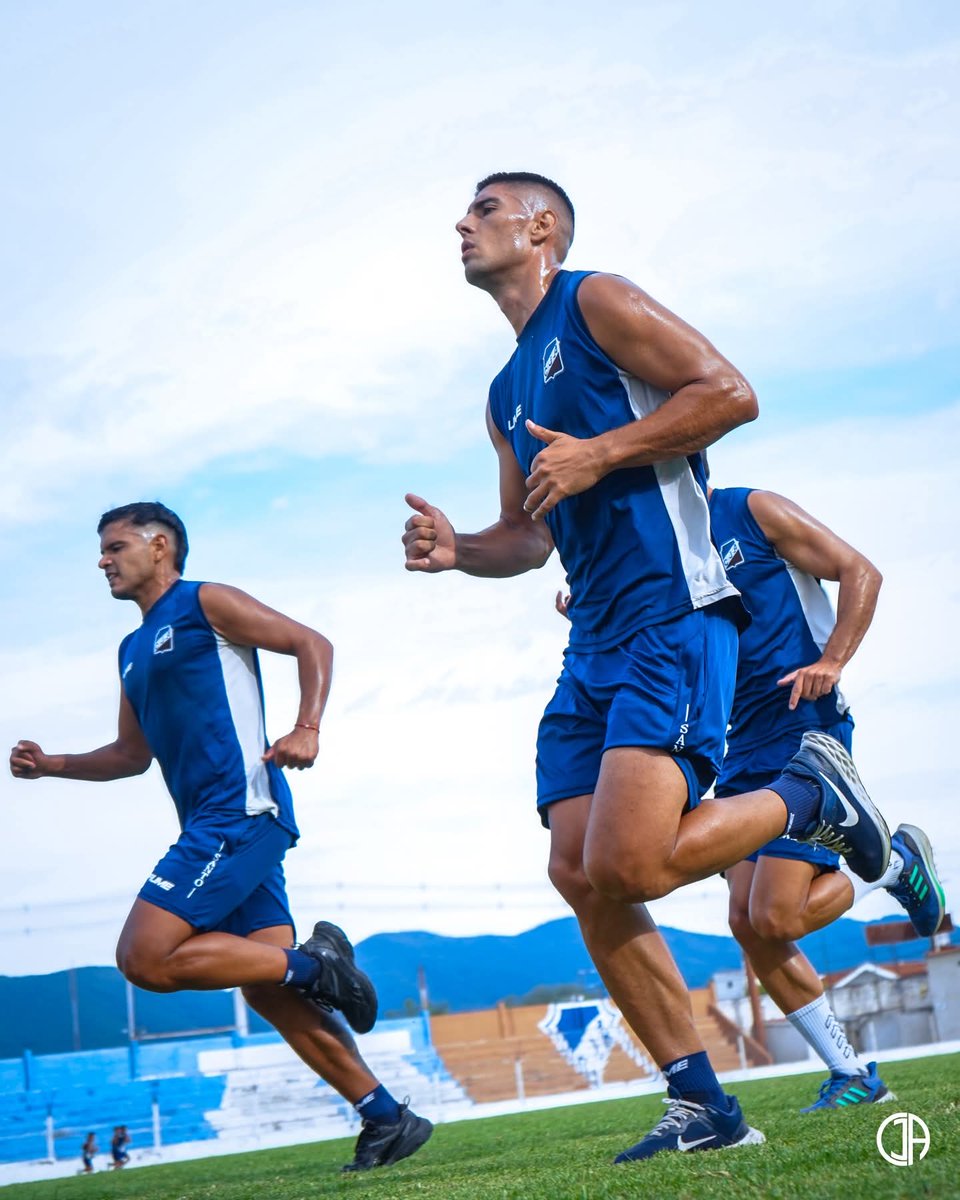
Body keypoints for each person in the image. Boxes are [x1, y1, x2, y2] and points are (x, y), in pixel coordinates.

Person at [402, 171, 893, 1163]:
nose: (462, 222)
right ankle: (702, 1104)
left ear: (541, 225)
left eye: (485, 208)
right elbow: (527, 537)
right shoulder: (504, 392)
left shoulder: (597, 298)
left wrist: (603, 452)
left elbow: (730, 392)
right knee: (581, 873)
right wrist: (462, 550)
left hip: (675, 616)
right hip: (592, 644)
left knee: (630, 863)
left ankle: (810, 795)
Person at [10, 502, 431, 1173]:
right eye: (102, 550)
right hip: (217, 826)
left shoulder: (206, 602)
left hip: (239, 815)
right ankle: (387, 1117)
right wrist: (52, 764)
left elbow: (312, 644)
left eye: (115, 547)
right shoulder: (131, 649)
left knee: (144, 959)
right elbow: (131, 755)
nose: (103, 561)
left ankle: (319, 966)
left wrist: (307, 727)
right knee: (266, 987)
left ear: (160, 546)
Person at [708, 483, 945, 1110]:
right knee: (746, 922)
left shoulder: (748, 511)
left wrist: (834, 660)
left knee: (777, 917)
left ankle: (892, 862)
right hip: (737, 744)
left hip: (803, 728)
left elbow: (860, 570)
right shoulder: (662, 551)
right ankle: (851, 1073)